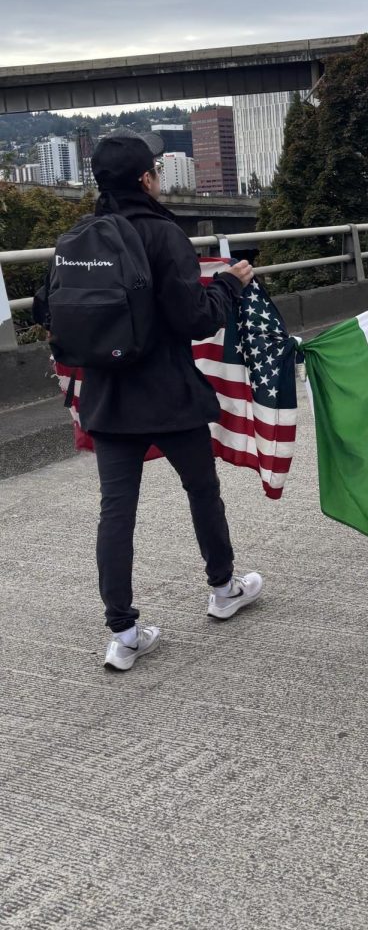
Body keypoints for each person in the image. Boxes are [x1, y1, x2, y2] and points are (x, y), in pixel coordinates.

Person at [38, 130, 263, 671]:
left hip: (109, 400)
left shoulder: (80, 237)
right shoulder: (165, 236)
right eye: (157, 172)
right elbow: (195, 318)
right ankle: (223, 587)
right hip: (168, 393)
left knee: (116, 513)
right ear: (146, 179)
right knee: (202, 491)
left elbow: (51, 312)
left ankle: (124, 632)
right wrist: (230, 286)